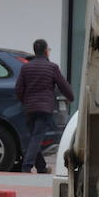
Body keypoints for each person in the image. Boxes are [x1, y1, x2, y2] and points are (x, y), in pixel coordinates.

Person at [14, 39, 74, 173]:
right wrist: (71, 97)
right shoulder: (52, 67)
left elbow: (18, 89)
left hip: (30, 108)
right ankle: (27, 166)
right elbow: (63, 85)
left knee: (35, 136)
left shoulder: (26, 67)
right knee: (37, 137)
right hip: (45, 108)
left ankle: (41, 167)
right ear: (46, 51)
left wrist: (25, 101)